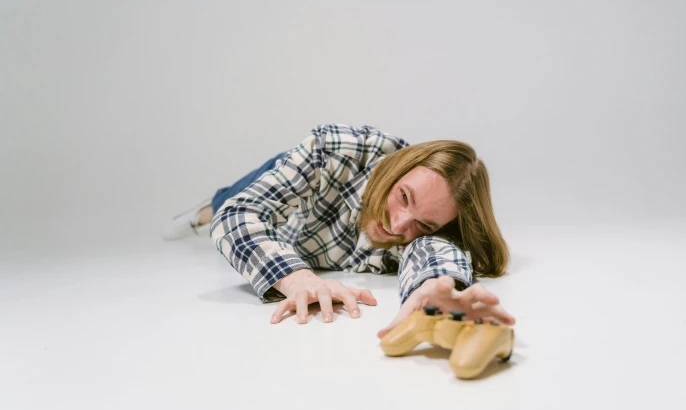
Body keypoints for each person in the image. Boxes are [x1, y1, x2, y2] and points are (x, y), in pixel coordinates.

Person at [162, 123, 515, 338]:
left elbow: (437, 254)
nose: (397, 225)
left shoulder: (434, 226)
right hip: (302, 193)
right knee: (227, 199)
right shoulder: (337, 149)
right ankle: (200, 211)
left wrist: (436, 289)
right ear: (396, 169)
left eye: (423, 224)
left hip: (308, 233)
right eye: (403, 196)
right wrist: (299, 280)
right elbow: (238, 214)